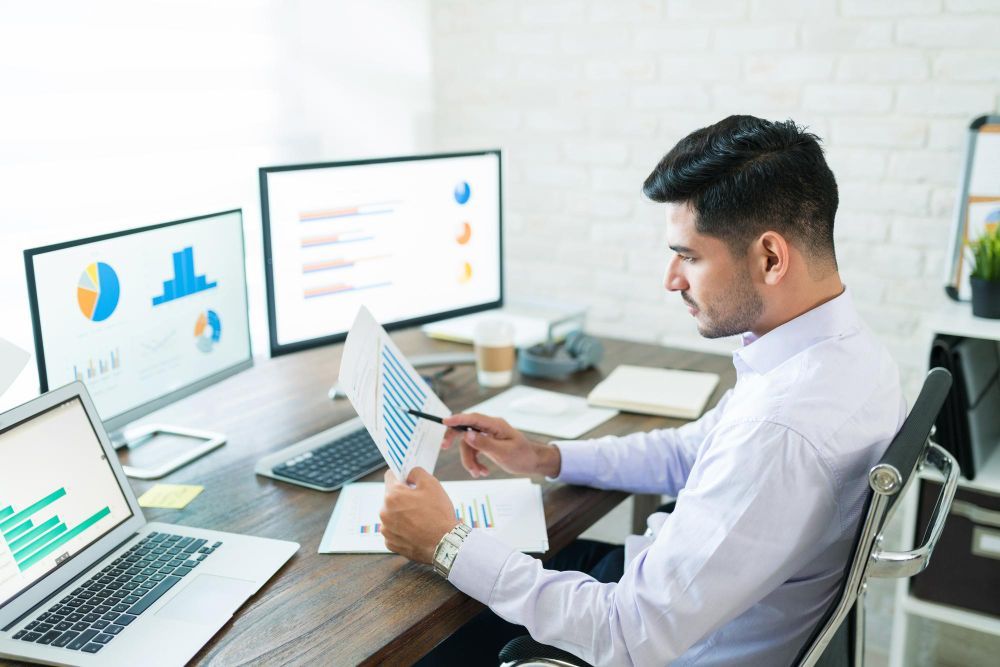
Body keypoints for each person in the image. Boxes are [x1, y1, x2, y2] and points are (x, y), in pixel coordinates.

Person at [379, 115, 905, 666]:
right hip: (675, 603)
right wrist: (543, 455)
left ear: (770, 258)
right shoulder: (846, 353)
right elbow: (693, 451)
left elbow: (625, 635)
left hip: (653, 642)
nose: (671, 280)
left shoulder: (780, 428)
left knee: (417, 642)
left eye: (689, 256)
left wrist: (446, 541)